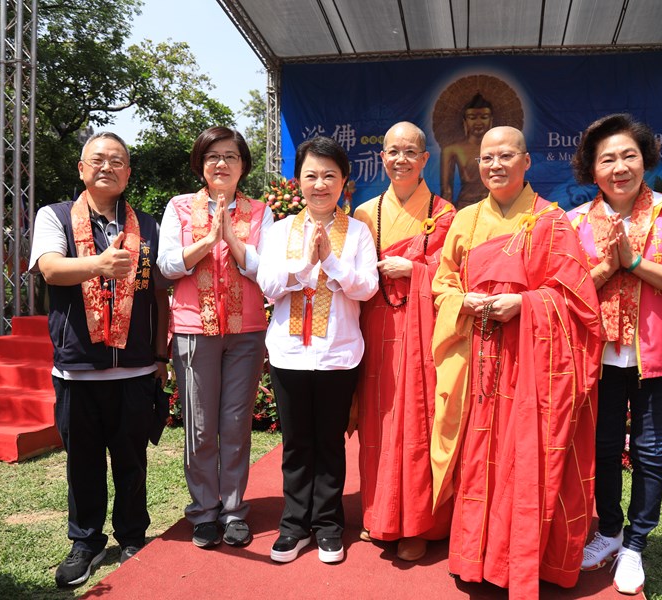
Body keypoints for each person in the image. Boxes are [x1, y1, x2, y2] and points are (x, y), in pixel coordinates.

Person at [431, 126, 601, 597]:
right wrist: (462, 302)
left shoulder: (552, 221)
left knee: (526, 458)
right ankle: (476, 556)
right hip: (478, 360)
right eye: (487, 158)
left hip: (534, 369)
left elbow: (578, 302)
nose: (495, 166)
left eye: (506, 156)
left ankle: (524, 561)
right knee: (479, 458)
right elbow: (442, 284)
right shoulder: (464, 220)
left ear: (527, 162)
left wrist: (525, 306)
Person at [567, 114, 662, 595]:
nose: (619, 167)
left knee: (650, 453)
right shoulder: (577, 222)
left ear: (645, 159)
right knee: (602, 449)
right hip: (599, 358)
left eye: (629, 155)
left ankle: (637, 544)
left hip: (658, 356)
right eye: (607, 158)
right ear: (592, 168)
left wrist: (638, 264)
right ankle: (609, 531)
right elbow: (569, 289)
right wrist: (611, 266)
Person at [30, 132, 170, 587]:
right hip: (78, 369)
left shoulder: (148, 226)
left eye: (118, 161)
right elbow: (50, 268)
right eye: (98, 160)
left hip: (135, 368)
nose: (107, 167)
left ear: (129, 172)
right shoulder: (54, 217)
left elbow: (158, 294)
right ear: (81, 169)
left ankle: (132, 536)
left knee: (132, 460)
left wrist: (161, 355)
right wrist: (97, 265)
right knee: (83, 463)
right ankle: (85, 542)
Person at [257, 136, 378, 564]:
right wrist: (308, 264)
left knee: (329, 442)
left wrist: (333, 262)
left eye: (330, 175)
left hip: (337, 354)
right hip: (290, 354)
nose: (320, 184)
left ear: (344, 181)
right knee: (296, 444)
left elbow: (367, 287)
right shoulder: (279, 230)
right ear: (298, 182)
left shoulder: (358, 231)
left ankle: (327, 525)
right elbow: (268, 286)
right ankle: (293, 525)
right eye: (311, 175)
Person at [157, 126, 272, 550]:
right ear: (201, 165)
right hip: (193, 329)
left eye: (230, 156)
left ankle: (235, 511)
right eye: (212, 157)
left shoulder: (261, 212)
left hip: (246, 332)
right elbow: (167, 264)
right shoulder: (180, 207)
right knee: (201, 427)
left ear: (243, 164)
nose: (221, 164)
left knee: (236, 424)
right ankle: (204, 512)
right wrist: (207, 240)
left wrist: (230, 239)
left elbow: (266, 269)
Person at [352, 121, 455, 561]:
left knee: (419, 421)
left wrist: (415, 272)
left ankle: (419, 522)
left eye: (410, 151)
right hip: (376, 327)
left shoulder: (446, 213)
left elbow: (454, 279)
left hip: (424, 332)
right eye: (393, 151)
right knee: (377, 423)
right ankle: (379, 514)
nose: (401, 159)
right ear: (382, 157)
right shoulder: (364, 213)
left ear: (425, 158)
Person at [440, 93, 493, 209]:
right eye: (472, 118)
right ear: (465, 121)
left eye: (484, 117)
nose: (478, 122)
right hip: (466, 205)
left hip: (494, 205)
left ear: (491, 120)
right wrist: (445, 217)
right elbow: (447, 191)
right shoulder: (452, 150)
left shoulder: (499, 149)